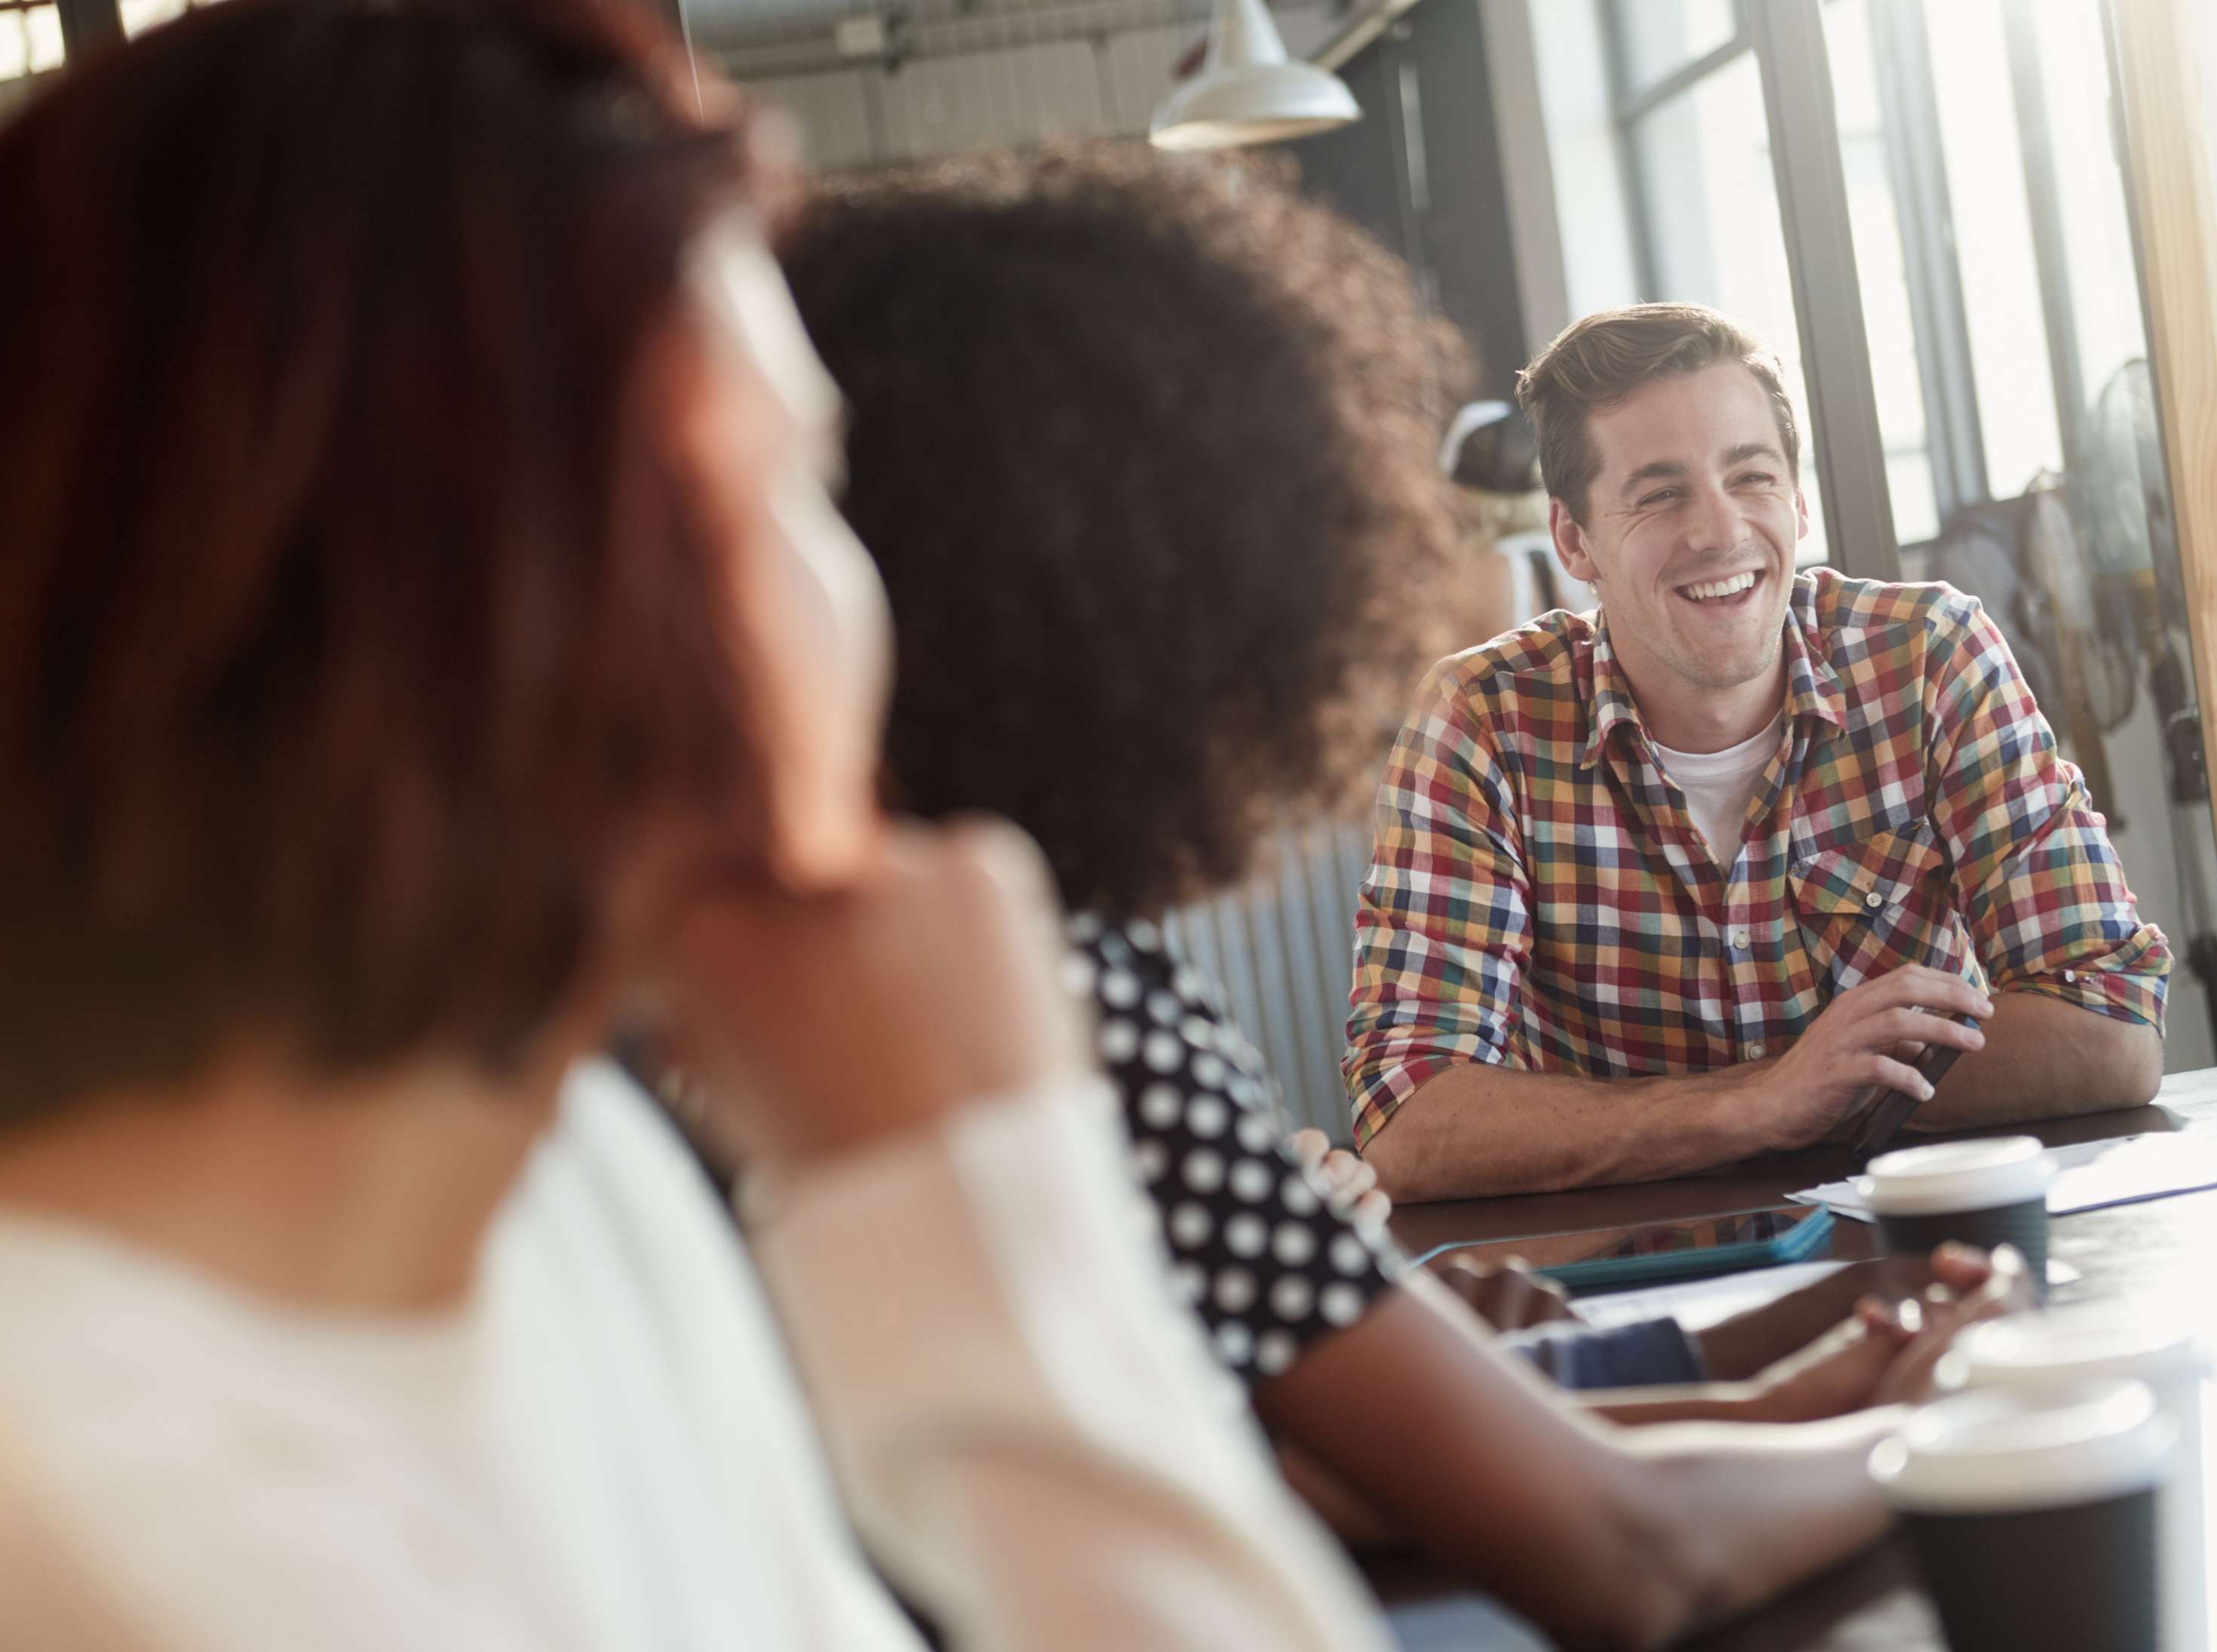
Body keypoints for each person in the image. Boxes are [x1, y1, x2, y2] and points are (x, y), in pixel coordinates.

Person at [0, 5, 1389, 1647]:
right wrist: (994, 1210)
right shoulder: (99, 1522)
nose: (864, 589)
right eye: (800, 477)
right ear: (544, 579)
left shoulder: (569, 1198)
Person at [784, 146, 2034, 1650]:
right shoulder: (1038, 994)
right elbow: (1627, 1555)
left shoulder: (857, 964)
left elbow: (1307, 1461)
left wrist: (1787, 1381)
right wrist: (1948, 1419)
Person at [1346, 303, 2174, 1202]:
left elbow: (2112, 1026)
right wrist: (1757, 1105)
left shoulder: (1932, 656)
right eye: (1661, 494)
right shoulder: (1483, 721)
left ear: (1798, 498)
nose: (1721, 530)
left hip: (1923, 1238)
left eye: (1751, 476)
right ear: (1574, 540)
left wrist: (1830, 1098)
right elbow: (1410, 1119)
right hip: (1633, 1280)